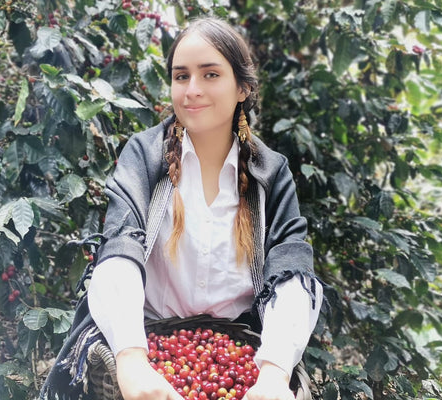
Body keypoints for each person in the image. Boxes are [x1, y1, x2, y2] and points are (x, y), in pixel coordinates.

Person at [40, 16, 323, 400]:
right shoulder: (145, 155)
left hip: (238, 346)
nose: (192, 90)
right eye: (181, 76)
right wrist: (132, 360)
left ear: (242, 88)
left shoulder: (269, 173)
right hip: (147, 341)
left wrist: (273, 375)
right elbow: (118, 251)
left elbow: (292, 273)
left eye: (210, 75)